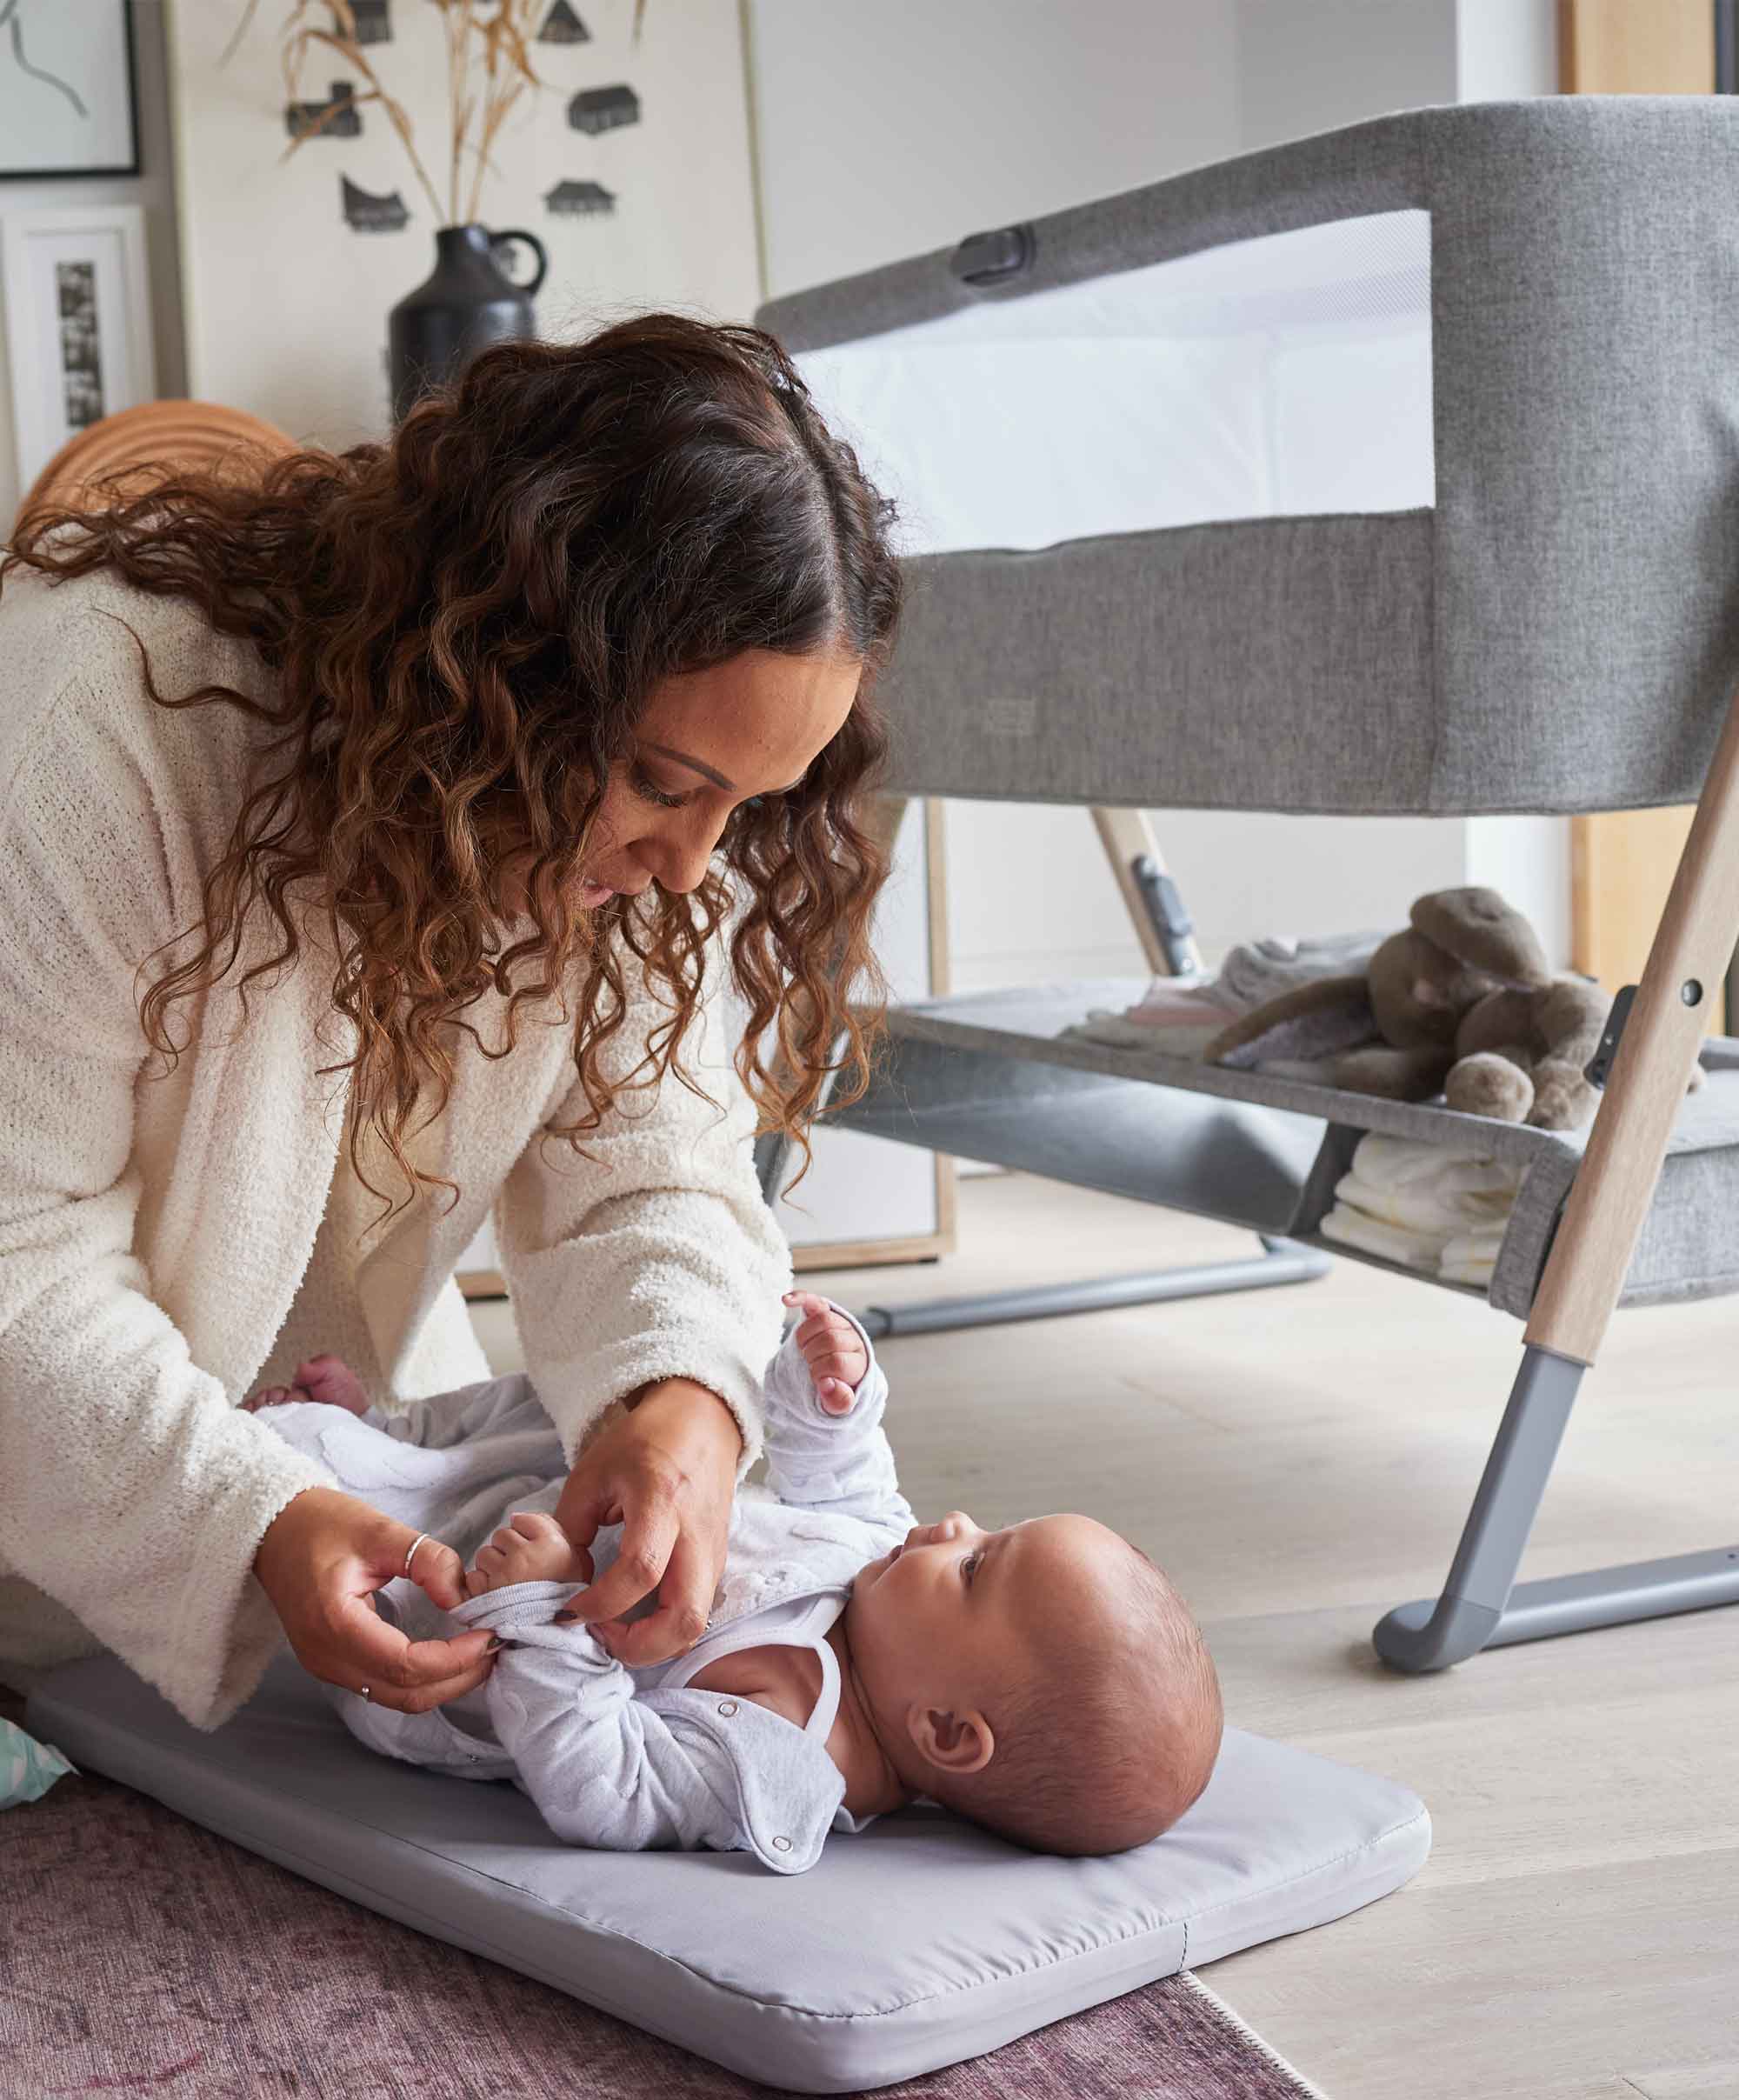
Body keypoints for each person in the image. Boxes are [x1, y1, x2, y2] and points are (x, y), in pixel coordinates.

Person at [0, 315, 900, 1734]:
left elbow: (659, 1171)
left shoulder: (638, 841)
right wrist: (250, 1519)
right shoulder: (98, 738)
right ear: (516, 677)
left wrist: (680, 1403)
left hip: (341, 1457)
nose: (693, 866)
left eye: (750, 806)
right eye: (666, 783)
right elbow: (12, 1243)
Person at [245, 1291, 1223, 1871]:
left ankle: (319, 1452)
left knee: (323, 1485)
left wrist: (542, 1611)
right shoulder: (885, 1575)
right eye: (992, 1527)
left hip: (452, 1623)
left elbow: (603, 1784)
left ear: (945, 1732)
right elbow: (843, 1478)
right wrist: (832, 1395)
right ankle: (395, 1428)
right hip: (565, 1495)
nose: (953, 1523)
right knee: (554, 1406)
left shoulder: (784, 1757)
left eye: (975, 1565)